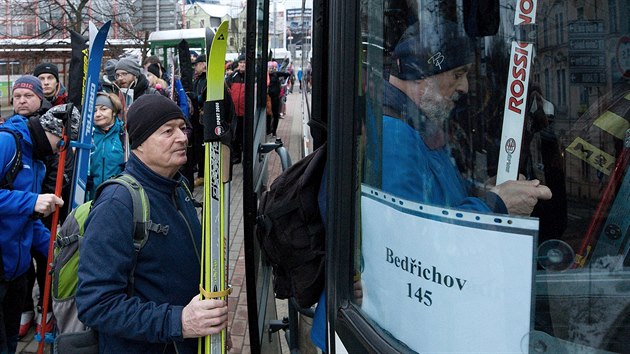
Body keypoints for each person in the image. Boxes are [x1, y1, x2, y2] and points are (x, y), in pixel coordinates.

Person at [76, 94, 229, 353]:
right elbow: (96, 304)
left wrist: (208, 331)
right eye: (167, 131)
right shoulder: (117, 204)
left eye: (182, 128)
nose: (182, 137)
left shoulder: (178, 186)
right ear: (139, 143)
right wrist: (179, 322)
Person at [380, 23, 552, 215]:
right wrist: (498, 205)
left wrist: (486, 193)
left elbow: (441, 200)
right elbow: (415, 231)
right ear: (420, 71)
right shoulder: (394, 135)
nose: (465, 87)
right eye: (457, 74)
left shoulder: (417, 128)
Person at [0, 101, 79, 353]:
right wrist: (31, 200)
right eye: (63, 143)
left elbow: (30, 223)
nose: (61, 151)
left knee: (11, 340)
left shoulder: (38, 162)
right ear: (56, 132)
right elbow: (25, 205)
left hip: (17, 272)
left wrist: (57, 252)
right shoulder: (7, 143)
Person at [87, 92, 125, 200]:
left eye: (103, 109)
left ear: (113, 112)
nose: (98, 114)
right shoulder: (88, 135)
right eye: (94, 110)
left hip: (118, 195)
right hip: (92, 196)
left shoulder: (124, 134)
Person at [191, 55, 207, 187]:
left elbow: (205, 97)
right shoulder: (197, 79)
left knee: (203, 147)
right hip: (196, 119)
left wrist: (195, 98)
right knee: (199, 147)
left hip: (204, 119)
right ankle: (201, 174)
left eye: (196, 65)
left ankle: (203, 174)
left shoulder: (207, 79)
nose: (195, 68)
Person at [227, 55, 245, 164]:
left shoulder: (252, 76)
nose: (242, 64)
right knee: (235, 136)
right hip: (235, 112)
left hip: (245, 113)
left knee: (244, 136)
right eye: (241, 62)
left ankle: (246, 155)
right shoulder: (233, 76)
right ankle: (237, 156)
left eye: (244, 62)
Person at [267, 61, 290, 137]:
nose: (271, 69)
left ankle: (273, 131)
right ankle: (269, 130)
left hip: (275, 98)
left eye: (273, 68)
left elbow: (286, 74)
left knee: (275, 114)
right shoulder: (267, 76)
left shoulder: (276, 74)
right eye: (270, 68)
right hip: (268, 98)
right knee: (269, 115)